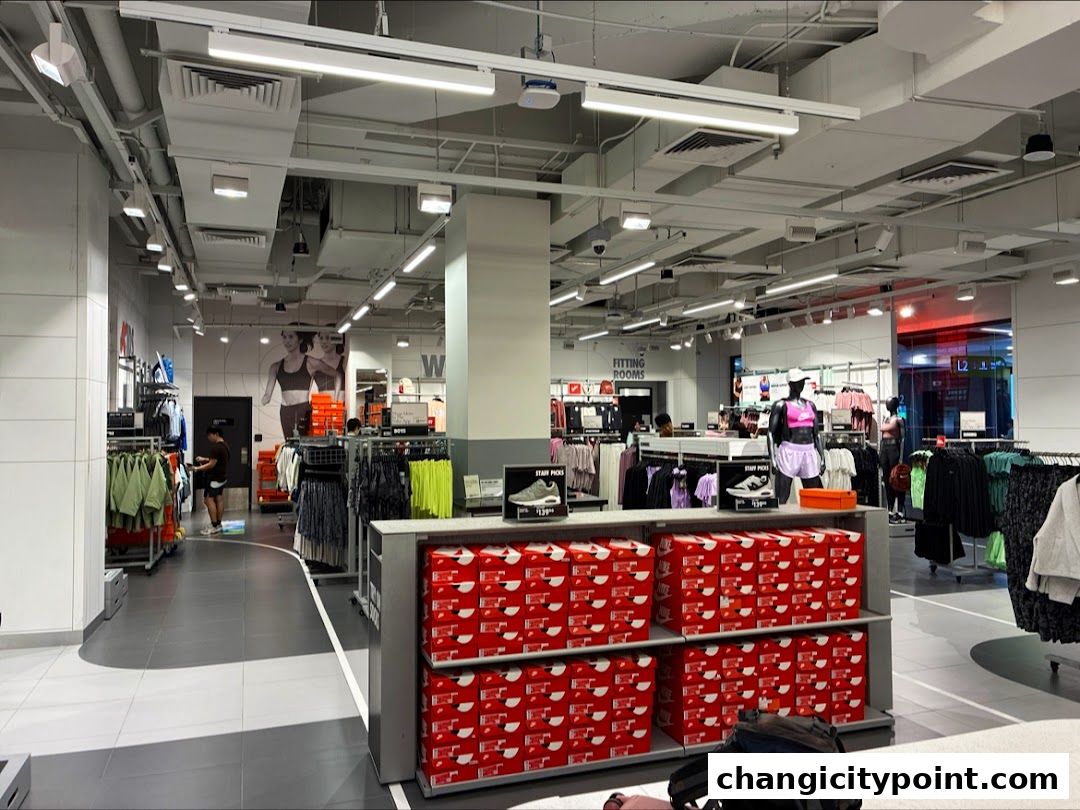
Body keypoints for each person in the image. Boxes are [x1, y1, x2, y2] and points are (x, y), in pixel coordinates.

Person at [261, 327, 341, 438]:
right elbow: (267, 394)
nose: (287, 341)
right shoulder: (275, 366)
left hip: (303, 410)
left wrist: (335, 401)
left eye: (291, 337)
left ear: (300, 339)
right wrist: (265, 398)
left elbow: (337, 375)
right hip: (285, 411)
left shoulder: (311, 362)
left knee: (304, 444)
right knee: (289, 444)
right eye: (284, 337)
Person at [191, 426, 230, 535]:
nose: (208, 438)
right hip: (222, 477)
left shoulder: (216, 448)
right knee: (219, 499)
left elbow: (211, 464)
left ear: (216, 434)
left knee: (208, 500)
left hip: (214, 479)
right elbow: (216, 460)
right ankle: (218, 523)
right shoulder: (225, 446)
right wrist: (204, 459)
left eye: (209, 435)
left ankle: (214, 525)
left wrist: (197, 468)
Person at [312, 326, 346, 400]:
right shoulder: (316, 364)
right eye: (321, 338)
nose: (324, 342)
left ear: (336, 339)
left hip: (341, 407)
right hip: (322, 407)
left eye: (328, 338)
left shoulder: (344, 361)